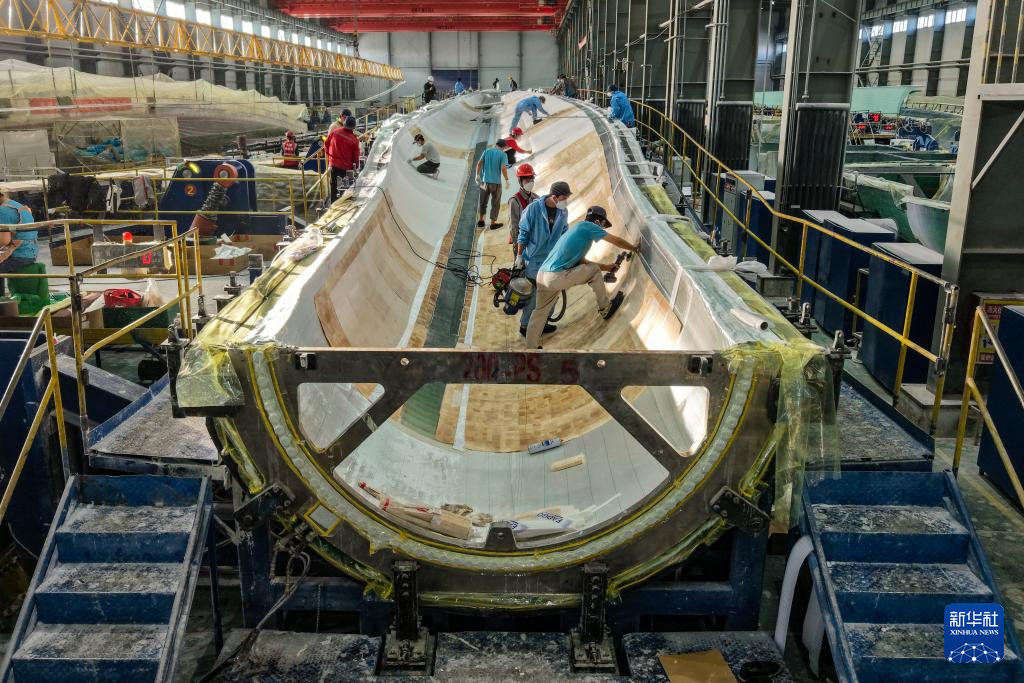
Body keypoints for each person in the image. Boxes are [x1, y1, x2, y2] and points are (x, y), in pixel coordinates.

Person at [524, 206, 637, 349]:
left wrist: (607, 267)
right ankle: (605, 308)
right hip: (556, 276)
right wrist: (634, 248)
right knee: (594, 271)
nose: (602, 229)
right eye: (603, 225)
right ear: (597, 221)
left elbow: (582, 262)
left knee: (540, 312)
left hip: (542, 276)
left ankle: (531, 349)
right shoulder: (588, 226)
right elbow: (616, 241)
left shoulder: (577, 231)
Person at [514, 180, 573, 337]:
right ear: (554, 197)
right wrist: (519, 256)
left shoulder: (563, 212)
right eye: (564, 198)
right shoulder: (533, 209)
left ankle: (543, 322)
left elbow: (564, 232)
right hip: (534, 260)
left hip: (553, 260)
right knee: (534, 295)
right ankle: (525, 325)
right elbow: (523, 233)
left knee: (552, 293)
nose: (566, 201)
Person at [0, 189, 36, 298]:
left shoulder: (2, 211)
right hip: (31, 252)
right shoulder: (18, 206)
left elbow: (3, 241)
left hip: (18, 255)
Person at [476, 139, 510, 230]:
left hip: (484, 182)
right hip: (496, 183)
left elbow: (479, 163)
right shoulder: (503, 154)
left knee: (482, 201)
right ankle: (493, 223)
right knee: (495, 203)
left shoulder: (486, 151)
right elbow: (503, 168)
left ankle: (481, 221)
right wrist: (507, 180)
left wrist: (477, 175)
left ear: (496, 144)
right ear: (503, 147)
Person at [325, 116, 360, 202]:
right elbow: (355, 158)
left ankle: (333, 204)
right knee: (346, 188)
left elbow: (326, 144)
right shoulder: (354, 140)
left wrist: (329, 157)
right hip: (346, 168)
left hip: (333, 165)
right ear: (354, 127)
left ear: (344, 123)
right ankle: (344, 202)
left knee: (333, 186)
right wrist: (356, 168)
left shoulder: (335, 132)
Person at [507, 163, 538, 256]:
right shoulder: (514, 201)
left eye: (531, 179)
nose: (530, 182)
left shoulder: (536, 198)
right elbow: (513, 225)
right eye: (527, 180)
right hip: (522, 242)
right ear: (520, 181)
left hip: (535, 242)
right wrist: (518, 248)